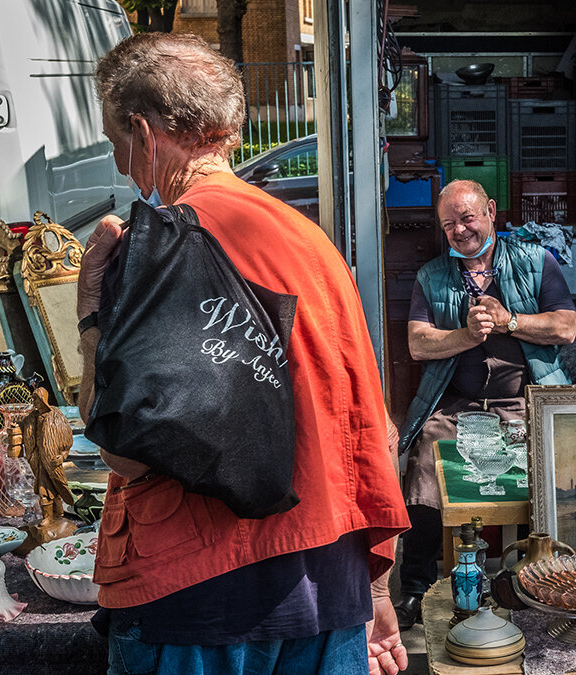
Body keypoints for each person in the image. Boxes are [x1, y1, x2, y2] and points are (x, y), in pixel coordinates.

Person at [76, 33, 410, 675]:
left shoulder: (154, 252)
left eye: (118, 143)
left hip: (198, 599)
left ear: (146, 134)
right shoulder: (314, 246)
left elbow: (121, 446)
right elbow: (373, 431)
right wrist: (374, 593)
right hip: (327, 586)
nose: (121, 166)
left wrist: (91, 308)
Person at [393, 179, 576, 628]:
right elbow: (418, 343)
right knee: (422, 470)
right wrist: (465, 336)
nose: (460, 230)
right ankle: (415, 588)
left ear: (491, 211)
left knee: (559, 469)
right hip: (457, 407)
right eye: (449, 224)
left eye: (468, 217)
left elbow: (566, 327)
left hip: (526, 402)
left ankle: (556, 578)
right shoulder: (432, 275)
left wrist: (508, 320)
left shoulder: (536, 260)